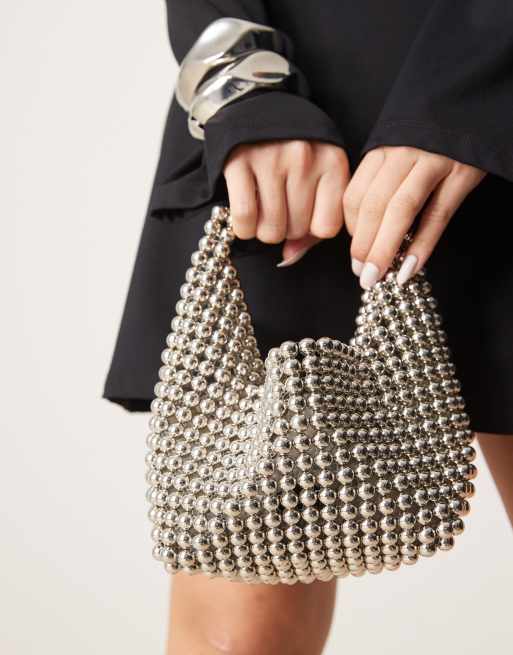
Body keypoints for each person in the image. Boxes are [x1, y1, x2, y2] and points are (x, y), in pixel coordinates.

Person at [102, 1, 513, 653]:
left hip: (486, 83)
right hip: (286, 129)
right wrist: (243, 86)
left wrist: (473, 87)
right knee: (235, 633)